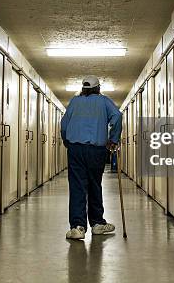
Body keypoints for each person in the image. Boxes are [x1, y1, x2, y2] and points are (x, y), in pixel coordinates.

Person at [60, 75, 122, 240]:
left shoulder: (74, 102)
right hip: (96, 150)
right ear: (98, 88)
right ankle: (97, 224)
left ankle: (77, 227)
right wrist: (113, 139)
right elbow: (117, 116)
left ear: (83, 89)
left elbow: (64, 123)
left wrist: (67, 140)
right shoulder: (104, 101)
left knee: (77, 186)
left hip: (75, 149)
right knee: (95, 184)